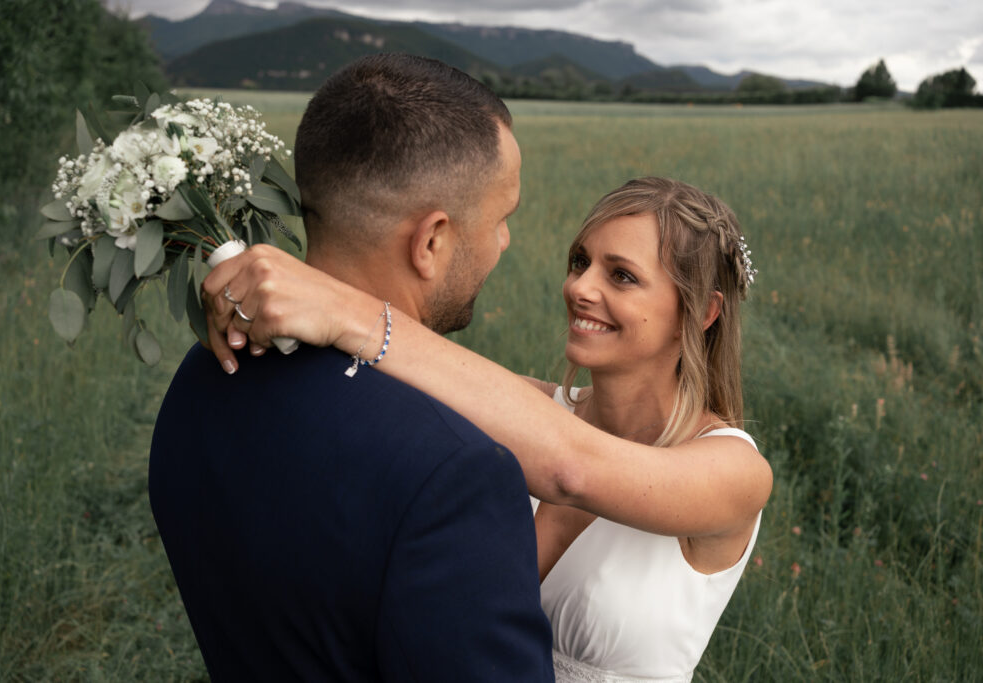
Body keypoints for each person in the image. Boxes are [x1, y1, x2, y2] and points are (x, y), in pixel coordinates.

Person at [204, 176, 773, 682]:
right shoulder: (526, 411)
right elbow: (399, 381)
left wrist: (342, 310)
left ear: (702, 313)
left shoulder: (734, 471)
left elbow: (574, 469)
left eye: (621, 275)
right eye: (580, 261)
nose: (579, 287)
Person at [149, 54, 555, 681]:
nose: (504, 240)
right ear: (431, 241)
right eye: (502, 219)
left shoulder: (203, 376)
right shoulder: (457, 476)